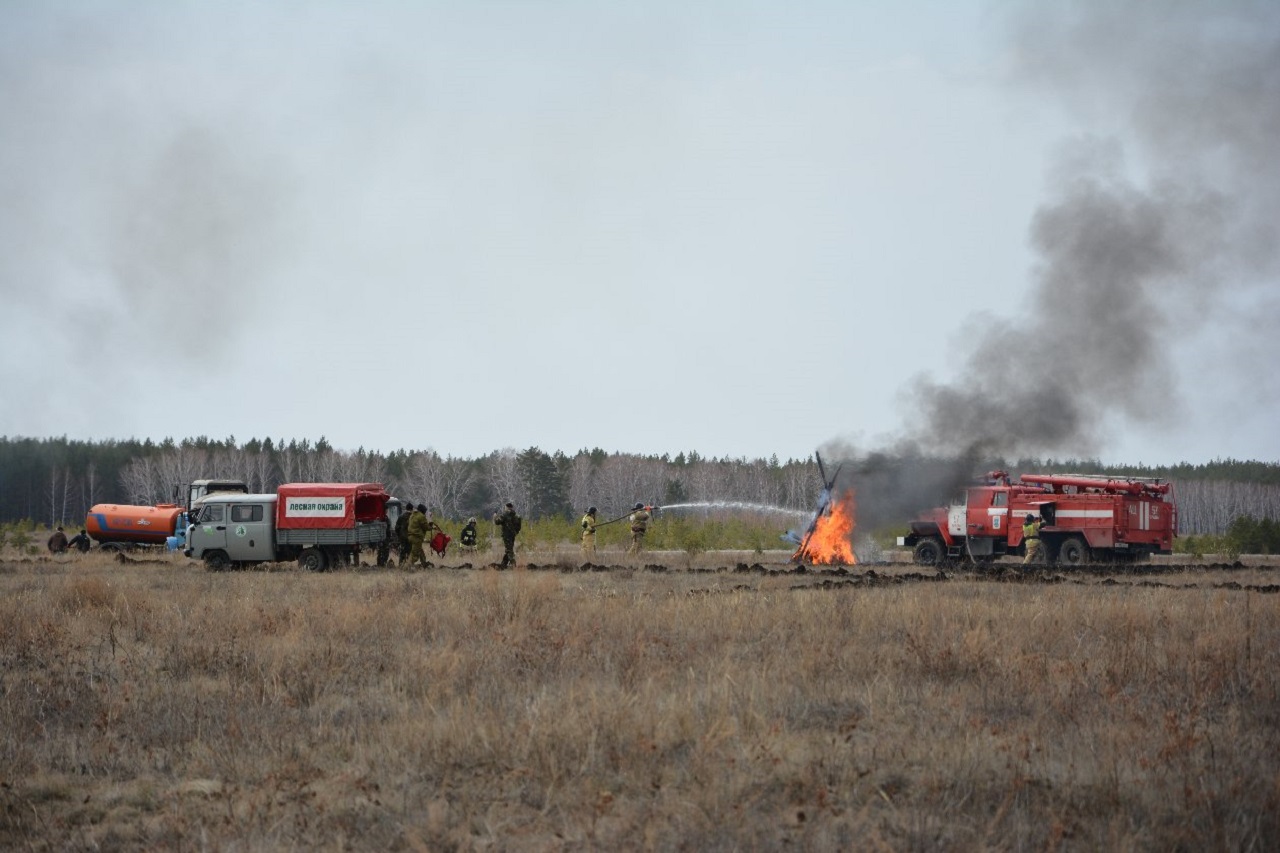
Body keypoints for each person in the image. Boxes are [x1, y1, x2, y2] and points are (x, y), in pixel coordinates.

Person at [494, 502, 522, 567]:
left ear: (506, 507)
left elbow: (497, 522)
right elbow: (519, 527)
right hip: (513, 535)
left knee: (509, 550)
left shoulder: (504, 514)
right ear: (512, 507)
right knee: (509, 548)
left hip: (506, 535)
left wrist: (495, 516)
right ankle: (504, 564)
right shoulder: (517, 516)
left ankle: (513, 564)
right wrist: (515, 532)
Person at [404, 503, 431, 569]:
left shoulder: (412, 515)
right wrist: (431, 523)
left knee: (420, 552)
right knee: (414, 555)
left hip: (410, 536)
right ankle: (406, 568)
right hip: (417, 538)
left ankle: (424, 563)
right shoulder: (421, 516)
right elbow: (426, 527)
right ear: (423, 511)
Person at [394, 500, 413, 564]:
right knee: (409, 552)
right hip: (410, 537)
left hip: (402, 537)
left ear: (406, 508)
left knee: (402, 551)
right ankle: (408, 565)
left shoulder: (401, 516)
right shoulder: (413, 517)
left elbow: (396, 527)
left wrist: (399, 535)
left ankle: (401, 564)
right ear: (412, 509)